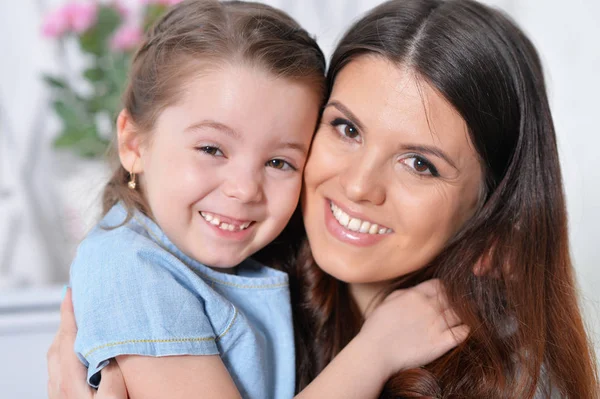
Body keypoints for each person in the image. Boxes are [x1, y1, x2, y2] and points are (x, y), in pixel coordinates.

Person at [47, 0, 599, 398]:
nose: (359, 186)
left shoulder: (507, 381)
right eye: (348, 130)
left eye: (420, 164)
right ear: (133, 142)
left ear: (493, 214)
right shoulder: (211, 271)